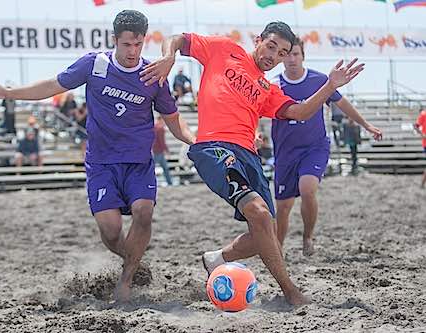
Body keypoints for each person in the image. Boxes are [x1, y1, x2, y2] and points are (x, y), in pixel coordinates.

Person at [140, 21, 365, 305]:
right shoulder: (224, 49)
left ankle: (217, 258)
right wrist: (168, 57)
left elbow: (300, 111)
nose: (274, 55)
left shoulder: (268, 89)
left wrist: (330, 85)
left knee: (265, 229)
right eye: (271, 46)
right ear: (258, 40)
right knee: (259, 214)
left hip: (249, 155)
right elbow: (176, 38)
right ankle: (291, 293)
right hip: (214, 148)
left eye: (282, 53)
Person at [0, 10, 195, 302]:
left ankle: (127, 279)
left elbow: (173, 119)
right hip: (101, 164)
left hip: (138, 163)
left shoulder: (153, 75)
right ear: (114, 40)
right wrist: (7, 92)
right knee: (110, 231)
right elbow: (53, 85)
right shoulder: (95, 64)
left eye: (138, 45)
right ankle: (132, 258)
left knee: (144, 213)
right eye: (126, 44)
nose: (133, 52)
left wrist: (196, 140)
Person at [270, 37, 382, 257]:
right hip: (285, 152)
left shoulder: (320, 80)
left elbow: (343, 104)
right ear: (281, 57)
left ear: (303, 56)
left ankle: (307, 237)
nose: (292, 59)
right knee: (283, 208)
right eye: (287, 54)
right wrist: (255, 134)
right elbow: (256, 112)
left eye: (296, 54)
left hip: (315, 147)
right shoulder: (273, 84)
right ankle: (277, 252)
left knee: (308, 188)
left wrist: (366, 124)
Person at [153, 116, 173, 186]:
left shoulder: (154, 127)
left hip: (154, 150)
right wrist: (167, 151)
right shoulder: (160, 129)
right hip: (158, 151)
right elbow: (162, 142)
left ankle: (169, 182)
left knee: (164, 167)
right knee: (164, 168)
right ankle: (169, 182)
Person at [414, 108, 426, 188]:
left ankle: (422, 184)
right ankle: (422, 183)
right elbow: (415, 126)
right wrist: (422, 135)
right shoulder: (424, 114)